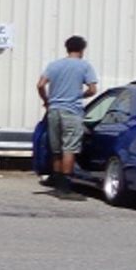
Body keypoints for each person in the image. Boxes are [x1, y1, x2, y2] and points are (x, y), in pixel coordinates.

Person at [37, 35, 99, 194]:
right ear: (82, 49)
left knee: (56, 150)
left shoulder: (54, 65)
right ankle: (66, 188)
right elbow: (92, 90)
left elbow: (40, 85)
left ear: (67, 48)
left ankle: (57, 185)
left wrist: (47, 100)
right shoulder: (84, 66)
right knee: (69, 149)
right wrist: (80, 95)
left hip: (54, 111)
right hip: (71, 111)